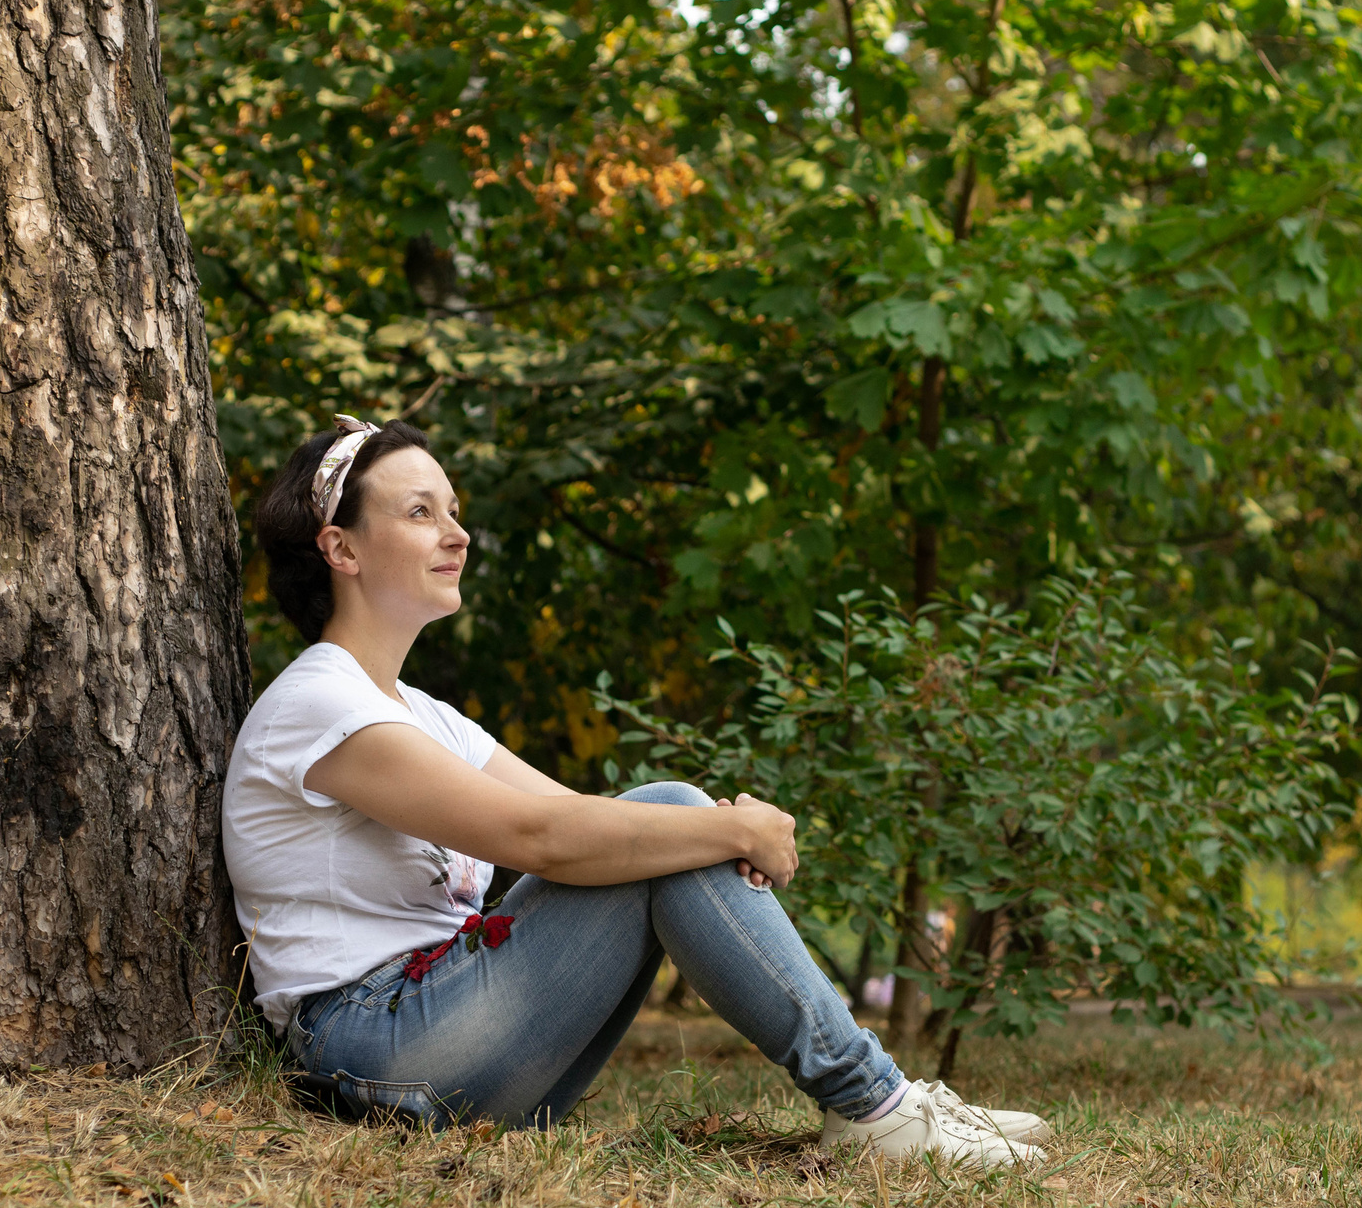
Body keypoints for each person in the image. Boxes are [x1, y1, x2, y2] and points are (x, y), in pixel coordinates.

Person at [221, 417, 1050, 1166]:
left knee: (663, 828)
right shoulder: (319, 702)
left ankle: (881, 1099)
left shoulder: (421, 713)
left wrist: (713, 829)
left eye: (454, 509)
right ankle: (876, 1105)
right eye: (421, 512)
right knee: (672, 820)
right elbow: (542, 838)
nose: (458, 533)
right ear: (341, 549)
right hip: (373, 1047)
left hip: (443, 1039)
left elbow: (595, 826)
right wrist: (731, 830)